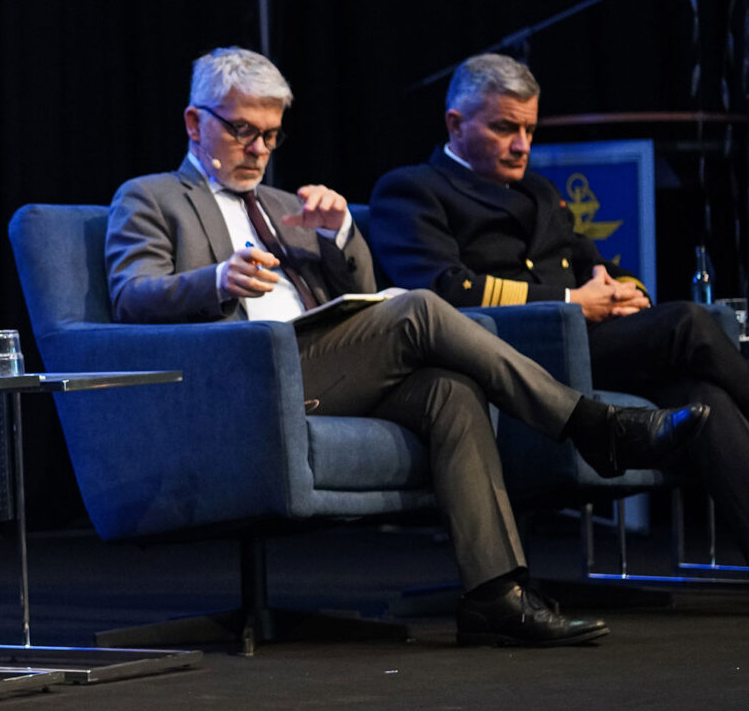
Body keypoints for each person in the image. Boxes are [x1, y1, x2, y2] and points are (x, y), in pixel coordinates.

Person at [102, 46, 709, 647]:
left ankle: (494, 595)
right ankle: (591, 425)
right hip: (244, 375)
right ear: (193, 122)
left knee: (451, 390)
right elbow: (131, 296)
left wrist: (341, 235)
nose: (260, 150)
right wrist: (215, 279)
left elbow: (364, 297)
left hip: (323, 370)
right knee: (419, 306)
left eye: (271, 135)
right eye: (242, 132)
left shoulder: (289, 207)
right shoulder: (151, 197)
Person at [368, 52, 749, 563]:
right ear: (455, 125)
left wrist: (626, 293)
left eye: (529, 129)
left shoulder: (541, 191)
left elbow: (597, 265)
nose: (522, 145)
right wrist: (573, 302)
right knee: (689, 321)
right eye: (505, 129)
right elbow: (442, 290)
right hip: (511, 355)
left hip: (586, 347)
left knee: (703, 398)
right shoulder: (414, 189)